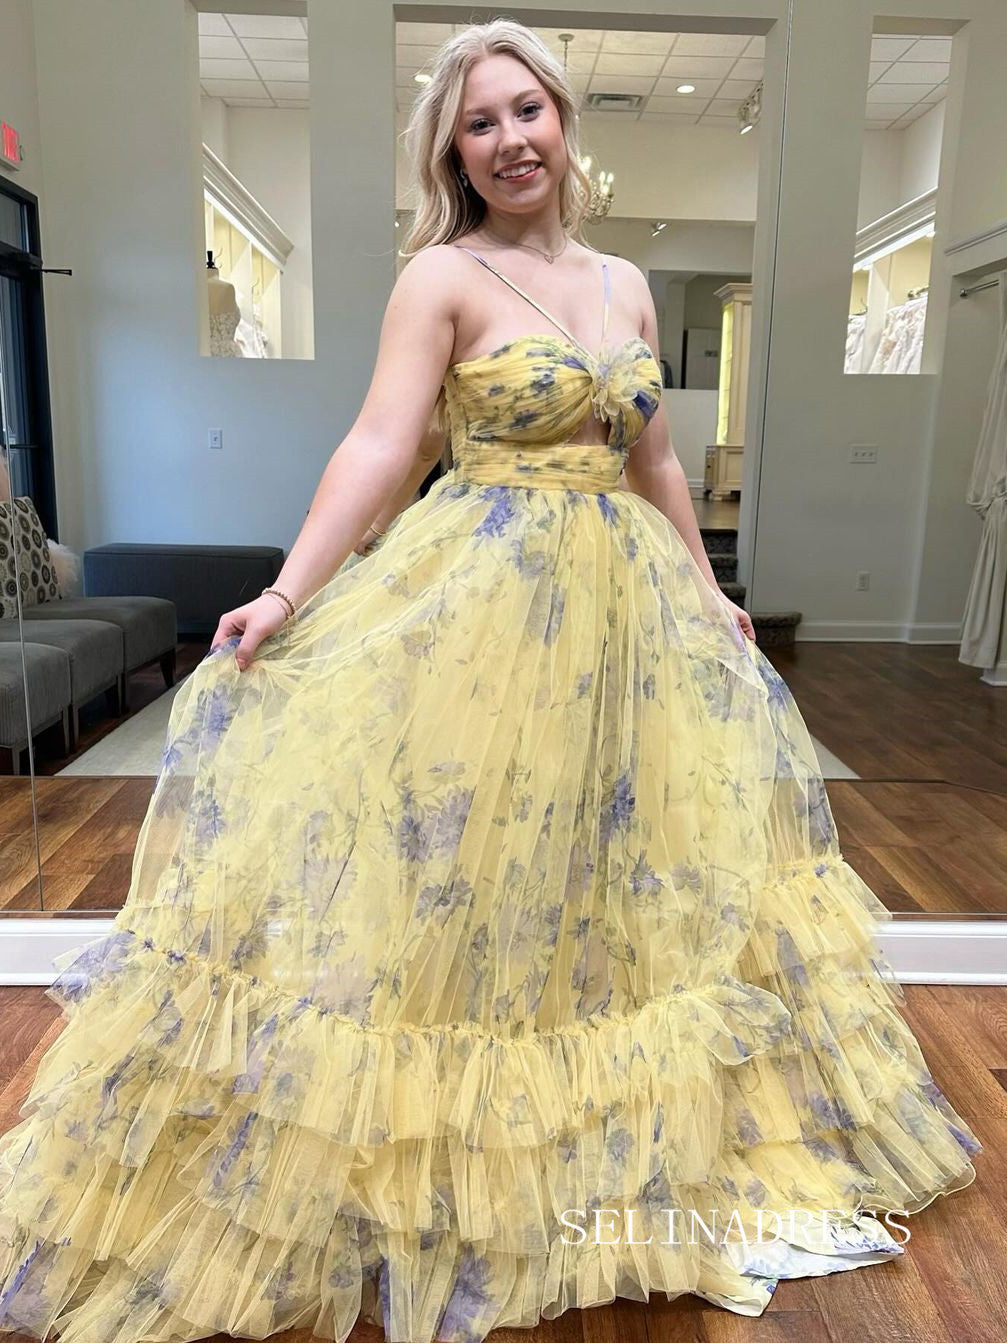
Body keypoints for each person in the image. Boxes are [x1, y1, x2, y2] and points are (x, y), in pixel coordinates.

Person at [0, 18, 981, 1343]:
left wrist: (707, 592)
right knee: (470, 850)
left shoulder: (627, 285)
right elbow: (381, 445)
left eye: (529, 111)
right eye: (480, 123)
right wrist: (288, 591)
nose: (511, 139)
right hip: (482, 596)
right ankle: (457, 1154)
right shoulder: (440, 278)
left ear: (564, 121)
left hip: (625, 613)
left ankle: (600, 1143)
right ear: (452, 151)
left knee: (614, 856)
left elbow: (656, 462)